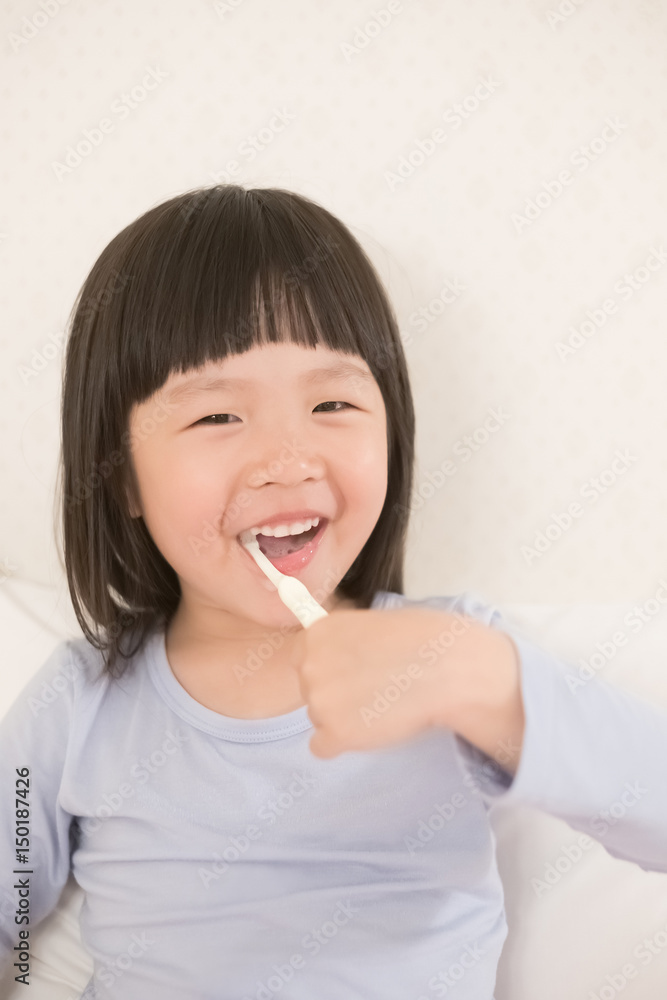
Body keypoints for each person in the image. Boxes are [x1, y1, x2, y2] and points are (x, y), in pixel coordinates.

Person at [1, 184, 666, 1000]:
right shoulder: (80, 702)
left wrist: (492, 688)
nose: (288, 458)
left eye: (332, 403)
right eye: (217, 418)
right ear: (122, 477)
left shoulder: (450, 659)